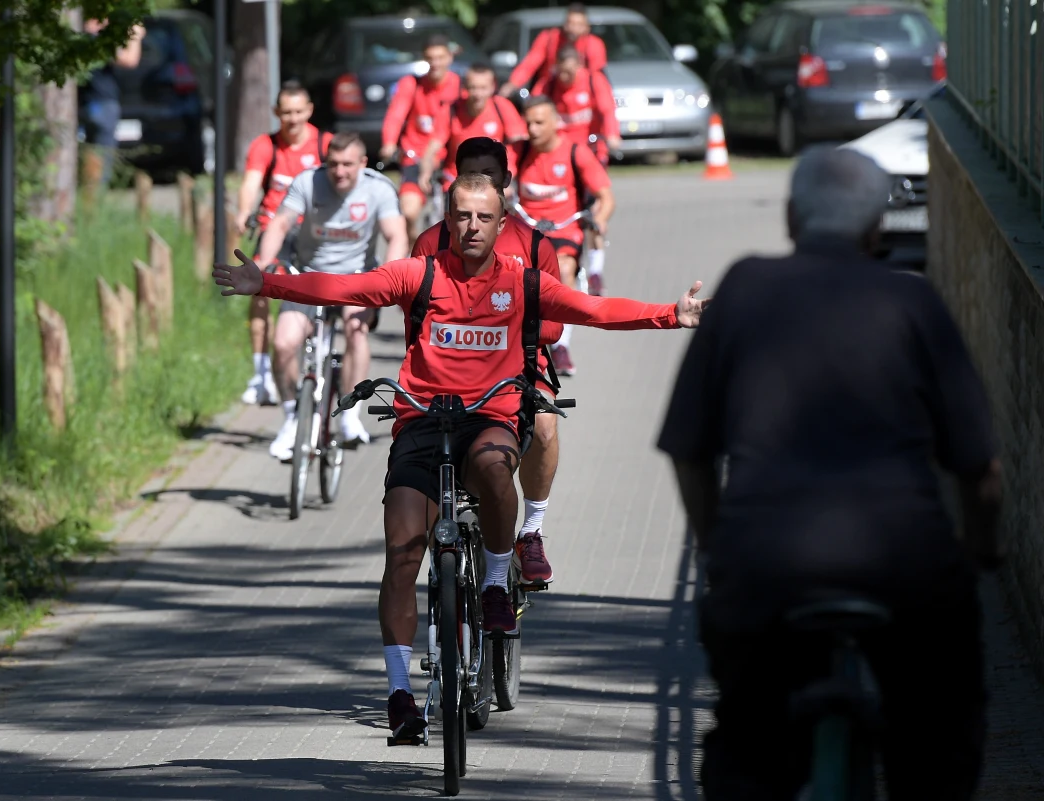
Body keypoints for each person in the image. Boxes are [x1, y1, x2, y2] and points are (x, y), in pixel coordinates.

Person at [214, 171, 708, 740]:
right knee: (402, 555)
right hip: (422, 421)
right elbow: (348, 288)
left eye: (484, 217)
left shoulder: (523, 282)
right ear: (447, 220)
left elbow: (592, 308)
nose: (472, 226)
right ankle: (400, 695)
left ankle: (496, 583)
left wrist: (672, 314)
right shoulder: (419, 273)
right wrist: (268, 284)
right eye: (462, 216)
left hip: (489, 416)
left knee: (496, 470)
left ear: (502, 224)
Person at [656, 146, 1003, 801]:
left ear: (791, 217)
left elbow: (688, 450)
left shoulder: (743, 288)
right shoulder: (914, 301)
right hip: (907, 568)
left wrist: (716, 547)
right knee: (940, 738)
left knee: (747, 747)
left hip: (765, 568)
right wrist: (981, 551)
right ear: (877, 229)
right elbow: (980, 467)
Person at [412, 136, 562, 586]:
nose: (480, 186)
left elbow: (554, 326)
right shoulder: (430, 242)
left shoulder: (534, 244)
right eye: (469, 176)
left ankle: (530, 530)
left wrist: (505, 325)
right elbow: (416, 317)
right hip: (448, 368)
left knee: (545, 425)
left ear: (506, 182)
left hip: (519, 363)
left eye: (490, 176)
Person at [251, 132, 408, 458]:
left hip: (357, 279)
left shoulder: (378, 188)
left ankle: (350, 415)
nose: (339, 172)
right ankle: (293, 416)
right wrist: (264, 264)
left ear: (363, 163)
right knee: (284, 343)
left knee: (356, 330)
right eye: (333, 164)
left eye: (348, 164)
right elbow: (280, 224)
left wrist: (388, 280)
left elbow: (396, 235)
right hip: (310, 277)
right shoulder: (308, 182)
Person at [235, 81, 332, 407]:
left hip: (316, 232)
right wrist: (244, 211)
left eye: (298, 111)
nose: (292, 119)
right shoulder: (266, 145)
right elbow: (251, 181)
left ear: (309, 111)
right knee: (259, 290)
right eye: (286, 112)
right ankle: (261, 374)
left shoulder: (324, 144)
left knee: (319, 290)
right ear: (276, 112)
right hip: (274, 229)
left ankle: (318, 352)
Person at [515, 96, 616, 374]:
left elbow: (606, 197)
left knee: (564, 270)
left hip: (564, 230)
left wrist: (600, 220)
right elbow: (498, 178)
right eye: (528, 123)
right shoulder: (519, 151)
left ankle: (560, 345)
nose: (532, 129)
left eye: (539, 123)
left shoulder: (575, 152)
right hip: (525, 229)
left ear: (556, 123)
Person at [379, 34, 462, 241]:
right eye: (430, 58)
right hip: (415, 154)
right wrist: (389, 142)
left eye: (440, 57)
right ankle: (413, 242)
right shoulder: (412, 84)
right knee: (409, 211)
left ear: (449, 57)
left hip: (449, 156)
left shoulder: (459, 85)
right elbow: (396, 114)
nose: (436, 63)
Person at [416, 64, 527, 196]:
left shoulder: (502, 107)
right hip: (458, 183)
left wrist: (507, 177)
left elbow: (519, 144)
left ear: (493, 87)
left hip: (492, 184)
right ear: (465, 87)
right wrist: (425, 173)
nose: (478, 94)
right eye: (473, 88)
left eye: (483, 88)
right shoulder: (451, 110)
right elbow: (432, 148)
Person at [78, 18, 144, 187]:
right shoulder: (96, 41)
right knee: (102, 158)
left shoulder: (79, 38)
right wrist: (136, 36)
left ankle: (87, 191)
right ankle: (94, 196)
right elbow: (129, 60)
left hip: (83, 105)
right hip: (102, 104)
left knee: (88, 155)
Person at [532, 45, 621, 165]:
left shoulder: (594, 81)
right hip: (561, 150)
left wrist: (612, 134)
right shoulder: (547, 86)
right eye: (560, 71)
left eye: (568, 72)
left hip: (590, 147)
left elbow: (607, 110)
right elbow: (532, 111)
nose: (563, 77)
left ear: (579, 66)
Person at [499, 3, 607, 100]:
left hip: (581, 94)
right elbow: (530, 63)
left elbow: (596, 76)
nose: (573, 28)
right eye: (570, 23)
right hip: (550, 92)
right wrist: (513, 83)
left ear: (587, 27)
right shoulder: (549, 39)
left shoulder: (594, 44)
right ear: (564, 24)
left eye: (579, 25)